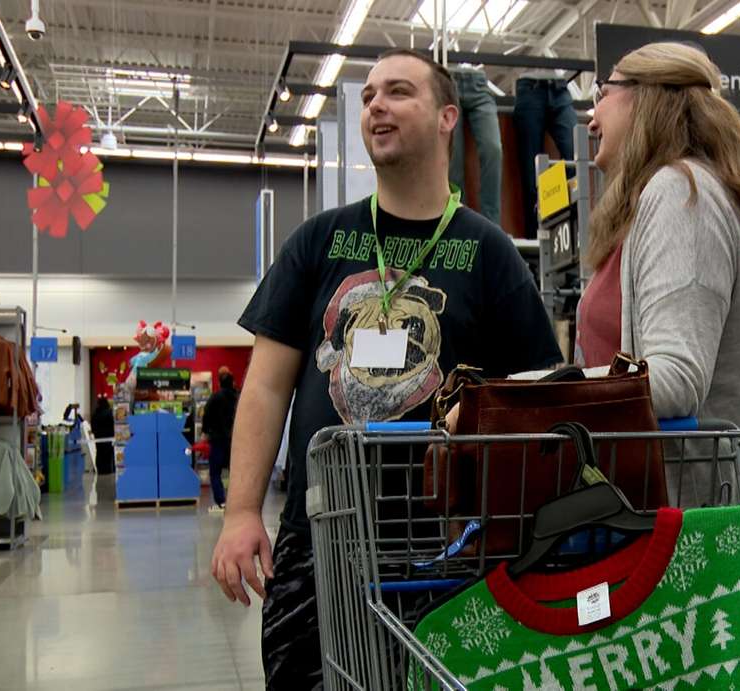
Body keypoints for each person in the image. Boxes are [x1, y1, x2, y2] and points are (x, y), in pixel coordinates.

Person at [211, 48, 561, 689]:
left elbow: (540, 390)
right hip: (320, 542)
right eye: (370, 95)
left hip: (450, 552)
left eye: (398, 92)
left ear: (447, 117)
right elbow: (264, 387)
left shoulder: (489, 254)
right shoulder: (318, 241)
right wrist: (240, 513)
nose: (376, 105)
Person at [577, 42, 740, 436]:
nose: (592, 120)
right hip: (681, 488)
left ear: (645, 97)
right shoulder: (661, 199)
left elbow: (677, 378)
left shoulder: (683, 194)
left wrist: (538, 391)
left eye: (602, 94)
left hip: (712, 493)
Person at [201, 368, 240, 511]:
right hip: (235, 440)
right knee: (235, 471)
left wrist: (205, 432)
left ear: (219, 383)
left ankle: (221, 501)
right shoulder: (238, 398)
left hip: (217, 439)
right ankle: (237, 500)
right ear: (233, 383)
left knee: (215, 472)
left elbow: (206, 416)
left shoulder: (215, 398)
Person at [90, 397, 115, 475]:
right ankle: (109, 471)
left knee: (99, 454)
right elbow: (113, 425)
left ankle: (100, 471)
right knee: (109, 455)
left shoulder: (95, 414)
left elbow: (93, 427)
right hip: (109, 439)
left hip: (99, 439)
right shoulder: (110, 413)